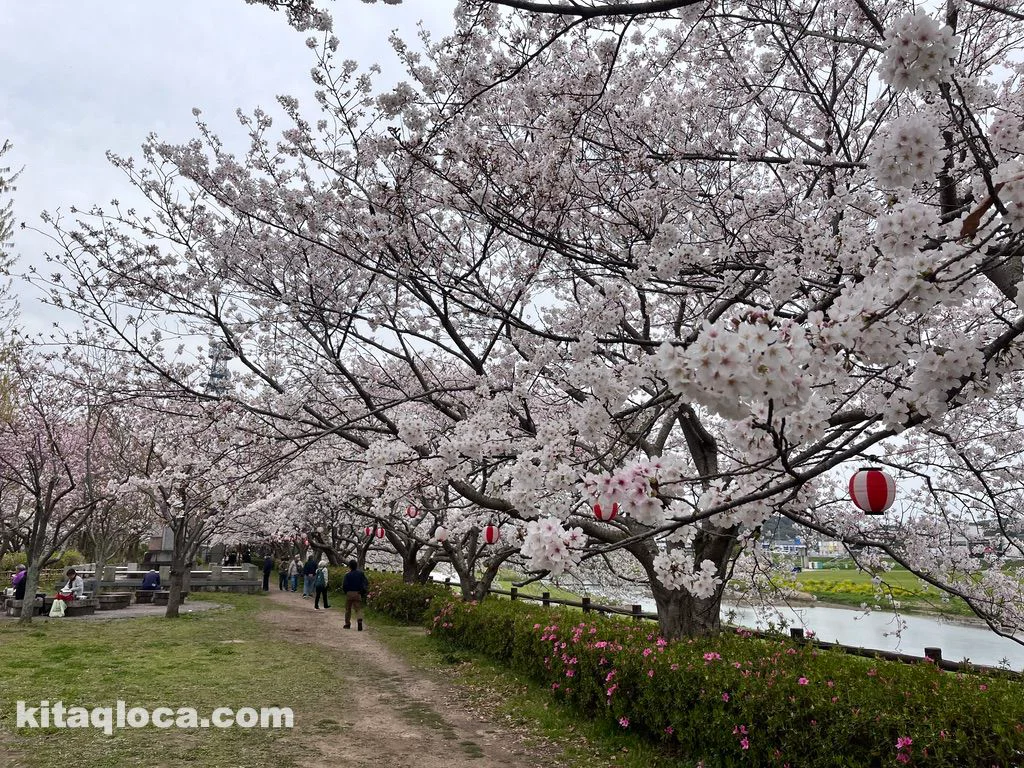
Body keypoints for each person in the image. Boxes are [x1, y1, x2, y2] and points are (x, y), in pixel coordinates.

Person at [342, 560, 369, 631]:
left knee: (348, 609)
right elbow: (366, 582)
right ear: (356, 566)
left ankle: (347, 624)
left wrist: (346, 592)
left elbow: (344, 585)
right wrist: (362, 591)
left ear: (350, 566)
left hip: (349, 593)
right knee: (358, 609)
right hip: (358, 593)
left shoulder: (347, 575)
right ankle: (359, 621)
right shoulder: (361, 574)